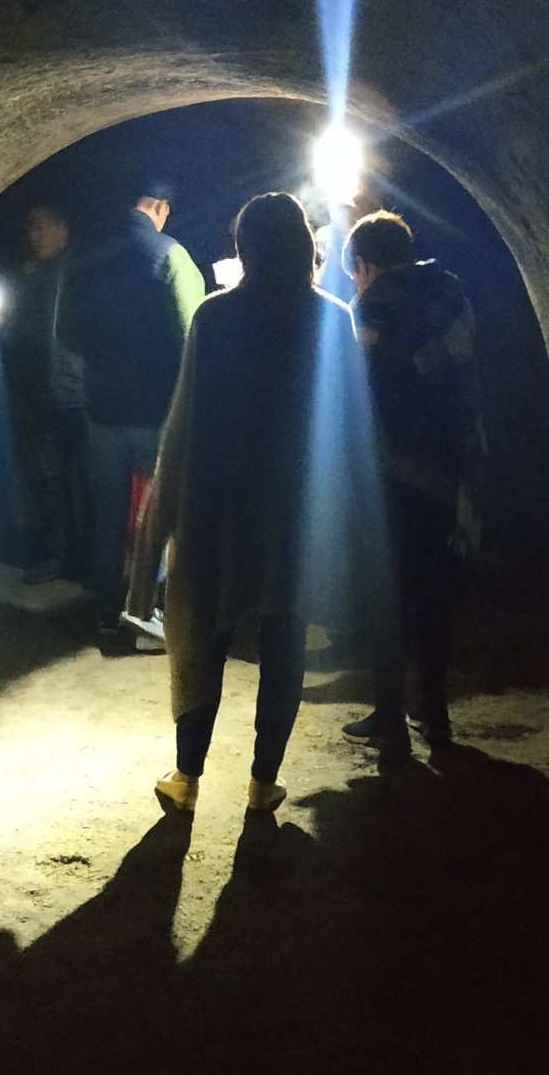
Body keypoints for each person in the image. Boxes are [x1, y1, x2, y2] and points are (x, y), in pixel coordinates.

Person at [130, 192, 375, 813]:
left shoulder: (215, 317)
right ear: (305, 247)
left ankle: (187, 778)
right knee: (285, 636)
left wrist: (162, 520)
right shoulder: (333, 318)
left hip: (219, 500)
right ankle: (264, 783)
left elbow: (185, 421)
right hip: (298, 507)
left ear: (245, 248)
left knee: (203, 634)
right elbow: (353, 427)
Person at [337, 210, 482, 754]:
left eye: (354, 274)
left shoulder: (373, 307)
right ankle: (435, 711)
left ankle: (389, 717)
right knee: (435, 590)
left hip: (394, 472)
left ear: (365, 264)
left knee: (389, 593)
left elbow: (364, 393)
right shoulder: (450, 293)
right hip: (450, 464)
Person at [62, 179, 206, 636]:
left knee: (107, 508)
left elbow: (66, 331)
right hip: (157, 409)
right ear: (160, 207)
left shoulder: (84, 257)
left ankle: (107, 608)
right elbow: (194, 333)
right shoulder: (171, 254)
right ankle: (147, 606)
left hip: (102, 407)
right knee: (159, 510)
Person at [0, 203, 86, 584]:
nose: (32, 236)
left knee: (82, 479)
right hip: (43, 394)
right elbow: (22, 335)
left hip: (79, 394)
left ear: (62, 227)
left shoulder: (81, 270)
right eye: (29, 228)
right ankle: (62, 555)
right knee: (52, 478)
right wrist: (2, 327)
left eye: (39, 226)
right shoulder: (30, 275)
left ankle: (87, 559)